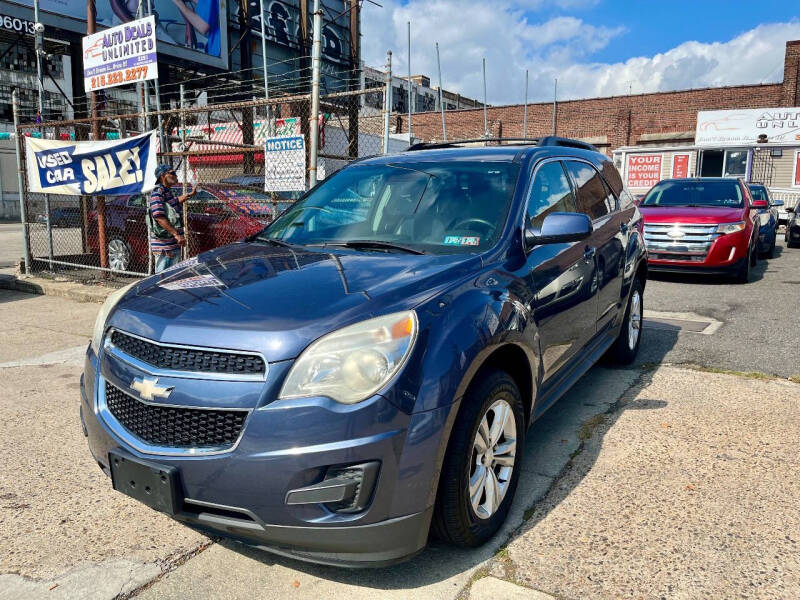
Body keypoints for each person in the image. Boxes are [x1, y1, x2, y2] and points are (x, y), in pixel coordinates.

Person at [147, 164, 198, 273]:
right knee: (162, 277)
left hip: (172, 244)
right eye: (172, 173)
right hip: (164, 245)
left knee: (172, 277)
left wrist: (190, 194)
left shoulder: (166, 191)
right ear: (163, 176)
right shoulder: (158, 193)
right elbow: (159, 217)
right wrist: (176, 234)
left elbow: (174, 202)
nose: (176, 175)